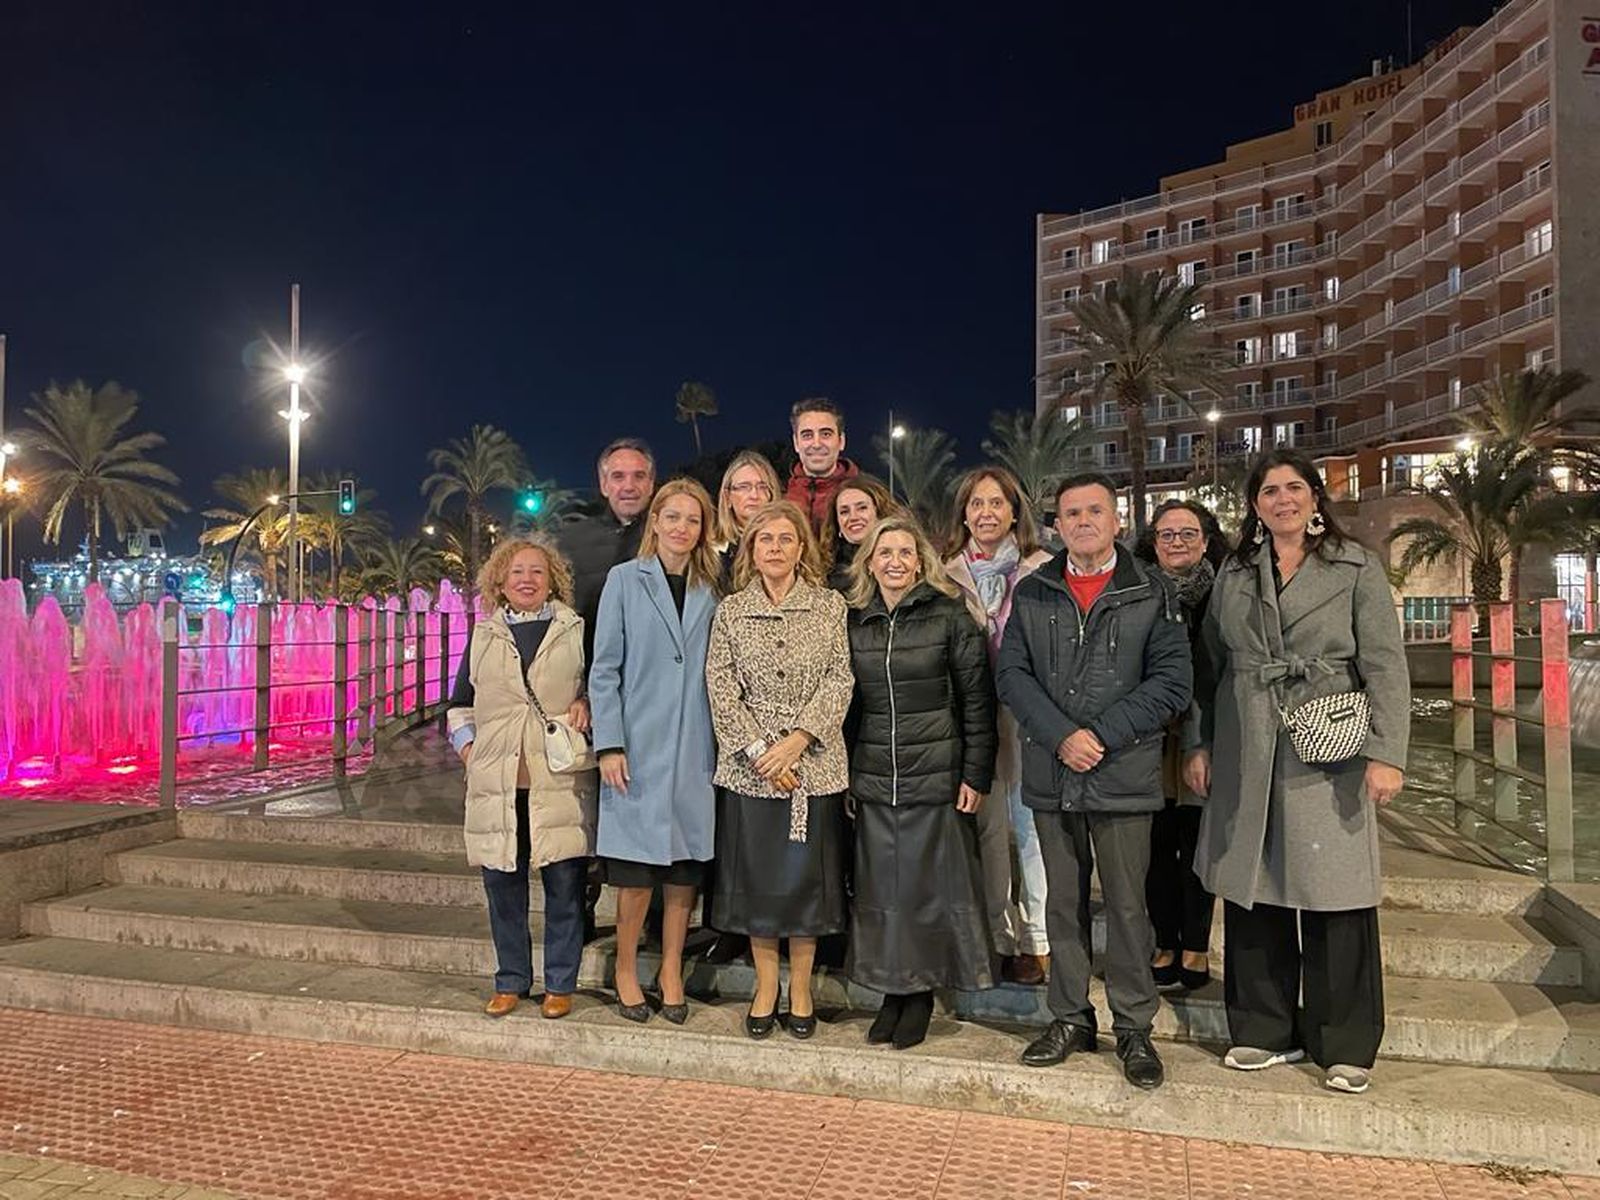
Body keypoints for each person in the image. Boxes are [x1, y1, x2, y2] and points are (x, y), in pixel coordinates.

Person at [1184, 449, 1407, 1096]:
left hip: (1327, 741)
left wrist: (1387, 751)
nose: (1282, 500)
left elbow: (1386, 664)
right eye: (1269, 491)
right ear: (1254, 506)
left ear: (1315, 498)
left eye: (1294, 489)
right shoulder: (1234, 572)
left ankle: (1345, 1041)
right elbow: (1211, 667)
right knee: (1256, 886)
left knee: (1337, 894)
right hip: (1248, 740)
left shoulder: (1357, 567)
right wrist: (1201, 744)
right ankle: (1263, 1028)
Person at [997, 473, 1192, 1090]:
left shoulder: (1151, 591)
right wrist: (1061, 736)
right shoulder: (1034, 592)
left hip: (1123, 774)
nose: (1082, 522)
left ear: (1116, 522)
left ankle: (1135, 1028)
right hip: (1053, 775)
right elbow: (1013, 675)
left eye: (1094, 512)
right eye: (1070, 513)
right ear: (1057, 525)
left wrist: (1100, 736)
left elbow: (1171, 682)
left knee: (1131, 909)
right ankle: (1069, 1017)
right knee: (1063, 903)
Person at [845, 515, 997, 1049]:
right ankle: (893, 990)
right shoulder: (855, 620)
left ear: (921, 561)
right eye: (883, 552)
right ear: (869, 561)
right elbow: (850, 709)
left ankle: (921, 995)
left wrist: (976, 772)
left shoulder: (949, 617)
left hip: (936, 778)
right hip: (875, 781)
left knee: (927, 896)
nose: (894, 561)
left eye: (905, 552)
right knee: (884, 894)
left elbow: (978, 702)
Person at [705, 500, 854, 1041]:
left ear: (801, 548)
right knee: (761, 884)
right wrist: (758, 752)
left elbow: (841, 678)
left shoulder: (829, 606)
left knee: (805, 885)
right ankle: (766, 985)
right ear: (750, 549)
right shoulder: (730, 612)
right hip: (751, 773)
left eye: (785, 539)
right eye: (764, 539)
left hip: (814, 764)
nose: (775, 548)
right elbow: (720, 687)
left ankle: (802, 988)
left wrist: (796, 741)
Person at [588, 479, 722, 1025]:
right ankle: (625, 969)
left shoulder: (713, 586)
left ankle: (670, 969)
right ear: (656, 521)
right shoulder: (624, 580)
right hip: (637, 748)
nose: (681, 528)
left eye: (692, 520)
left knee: (684, 873)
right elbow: (604, 669)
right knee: (636, 875)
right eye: (672, 517)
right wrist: (610, 743)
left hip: (694, 748)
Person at [446, 537, 596, 1020]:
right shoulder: (484, 635)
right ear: (500, 582)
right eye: (516, 573)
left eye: (536, 571)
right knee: (502, 889)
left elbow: (597, 683)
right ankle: (510, 979)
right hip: (499, 780)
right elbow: (458, 704)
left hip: (557, 780)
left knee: (564, 888)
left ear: (552, 578)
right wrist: (469, 749)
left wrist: (588, 702)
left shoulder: (576, 631)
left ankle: (559, 983)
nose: (527, 580)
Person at [943, 466, 1054, 987]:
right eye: (976, 504)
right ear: (963, 512)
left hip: (1028, 713)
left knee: (1030, 826)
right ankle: (999, 937)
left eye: (996, 504)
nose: (985, 513)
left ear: (1014, 511)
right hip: (972, 717)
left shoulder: (1042, 571)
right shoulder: (945, 576)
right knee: (988, 830)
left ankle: (1037, 940)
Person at [1133, 499, 1224, 992]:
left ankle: (1195, 944)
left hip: (1202, 735)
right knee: (1155, 844)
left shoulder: (1222, 594)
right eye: (1167, 535)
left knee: (1197, 843)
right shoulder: (1138, 593)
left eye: (1188, 534)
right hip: (1150, 735)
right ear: (1154, 542)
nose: (1177, 543)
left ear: (1206, 541)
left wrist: (1202, 739)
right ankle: (1164, 939)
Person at [560, 437, 657, 663]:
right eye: (618, 476)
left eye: (639, 476)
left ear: (651, 485)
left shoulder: (671, 538)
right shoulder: (572, 541)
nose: (629, 486)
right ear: (604, 485)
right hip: (592, 675)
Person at [784, 398, 860, 533]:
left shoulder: (867, 496)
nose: (817, 444)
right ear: (796, 443)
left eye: (826, 434)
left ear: (841, 441)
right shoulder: (780, 497)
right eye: (807, 435)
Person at [820, 475, 899, 592]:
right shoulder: (826, 571)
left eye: (862, 508)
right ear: (837, 524)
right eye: (844, 512)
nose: (853, 517)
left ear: (880, 513)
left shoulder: (903, 559)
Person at [713, 450, 781, 579]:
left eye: (762, 487)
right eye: (744, 487)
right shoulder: (713, 552)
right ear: (727, 498)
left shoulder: (789, 544)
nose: (754, 495)